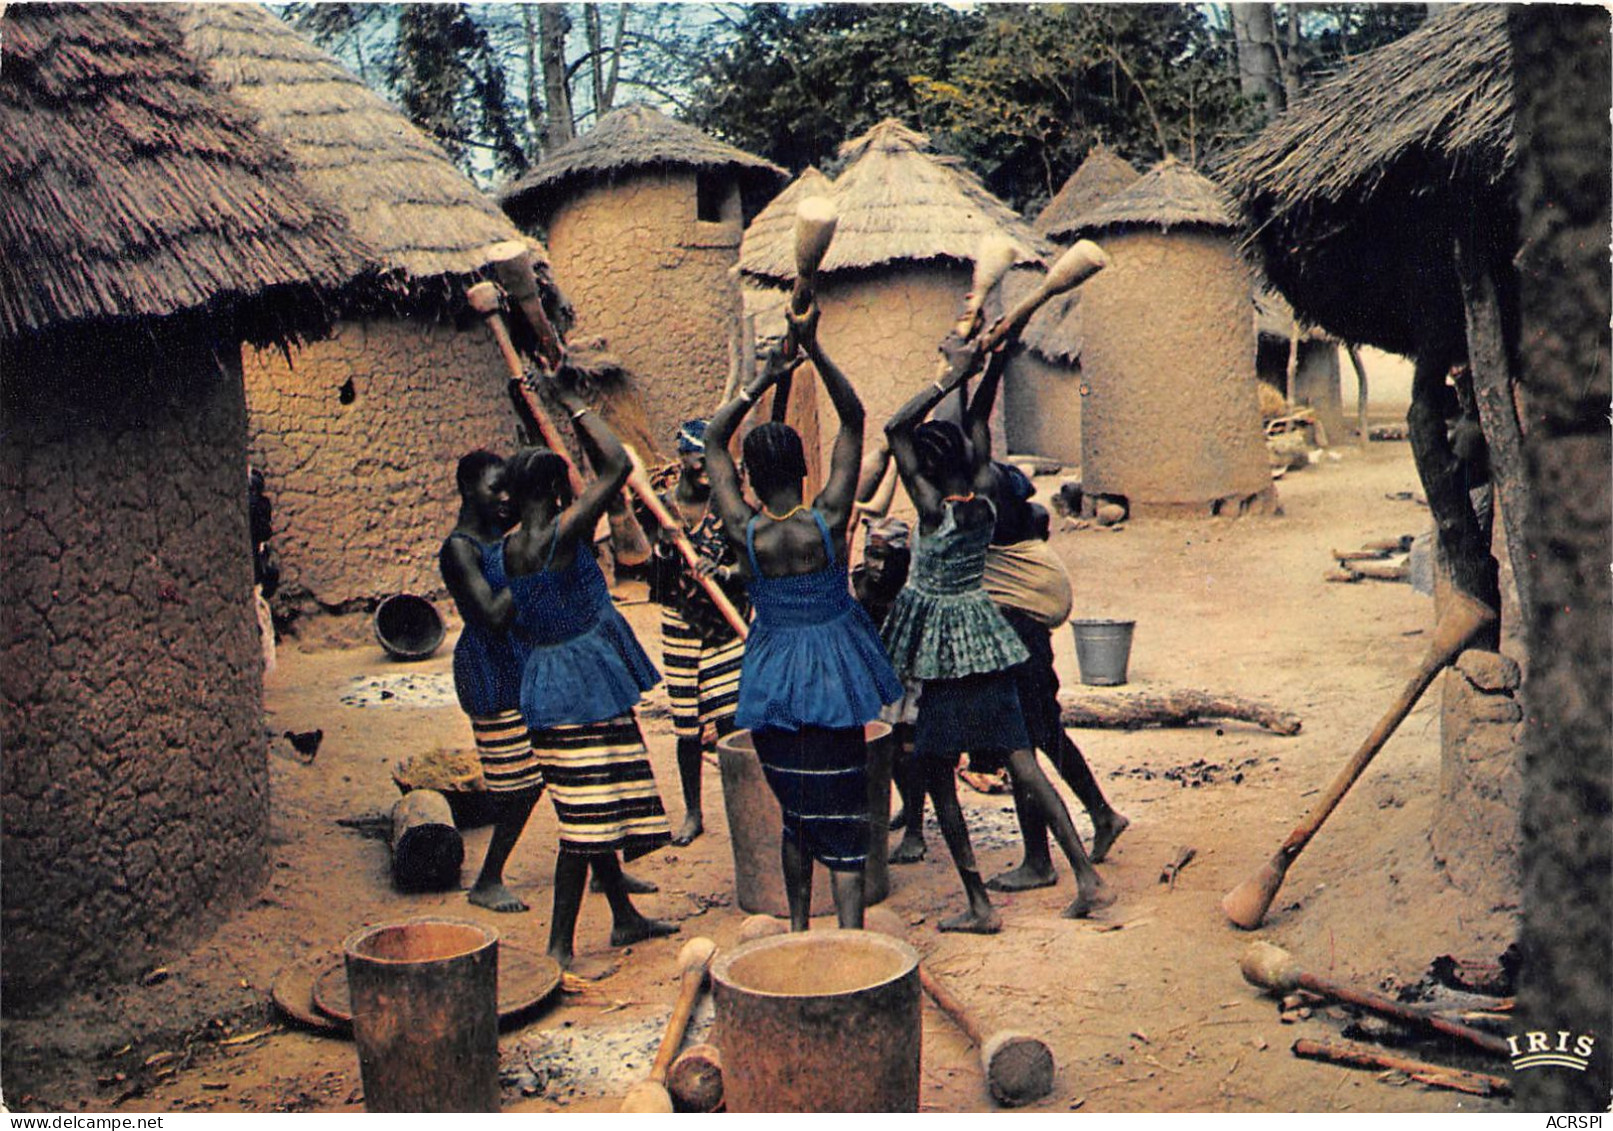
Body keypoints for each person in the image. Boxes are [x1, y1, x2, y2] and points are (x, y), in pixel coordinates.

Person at [882, 335, 1112, 932]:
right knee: (1024, 762)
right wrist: (983, 369)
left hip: (945, 652)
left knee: (937, 776)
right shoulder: (985, 492)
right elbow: (979, 423)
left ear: (925, 473)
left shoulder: (932, 511)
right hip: (987, 639)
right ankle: (1086, 875)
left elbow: (893, 430)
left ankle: (979, 905)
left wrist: (947, 379)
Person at [704, 304, 903, 932]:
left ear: (751, 478)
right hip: (836, 677)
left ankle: (797, 930)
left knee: (797, 813)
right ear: (803, 469)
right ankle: (849, 942)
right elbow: (854, 417)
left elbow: (711, 440)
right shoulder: (829, 517)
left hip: (775, 682)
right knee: (844, 811)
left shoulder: (746, 530)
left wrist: (762, 380)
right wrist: (815, 348)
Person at [502, 377, 678, 971]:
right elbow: (614, 464)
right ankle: (558, 945)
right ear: (555, 491)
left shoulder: (511, 545)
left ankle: (625, 918)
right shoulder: (559, 535)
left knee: (590, 801)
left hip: (558, 684)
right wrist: (574, 402)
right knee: (581, 824)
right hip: (576, 686)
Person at [979, 462, 1129, 893]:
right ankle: (1102, 814)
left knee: (1021, 748)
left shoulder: (994, 517)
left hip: (1017, 639)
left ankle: (1038, 860)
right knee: (1046, 734)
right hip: (1032, 639)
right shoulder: (1020, 516)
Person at [440, 450, 549, 913]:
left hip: (523, 661)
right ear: (467, 489)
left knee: (560, 765)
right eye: (494, 489)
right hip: (489, 668)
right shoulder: (460, 549)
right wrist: (533, 568)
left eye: (511, 489)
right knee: (521, 785)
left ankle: (603, 867)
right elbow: (490, 615)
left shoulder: (502, 538)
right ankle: (487, 880)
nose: (506, 498)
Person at [639, 419, 748, 846]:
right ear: (681, 458)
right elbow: (656, 585)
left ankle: (740, 805)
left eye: (710, 460)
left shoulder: (730, 503)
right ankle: (693, 812)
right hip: (681, 625)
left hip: (725, 626)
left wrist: (722, 572)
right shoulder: (662, 507)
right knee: (686, 724)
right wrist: (667, 548)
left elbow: (749, 563)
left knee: (731, 723)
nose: (704, 467)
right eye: (696, 459)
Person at [849, 512, 927, 865]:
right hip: (877, 677)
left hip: (910, 678)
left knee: (911, 752)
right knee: (888, 749)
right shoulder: (860, 582)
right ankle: (909, 809)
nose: (875, 565)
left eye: (884, 557)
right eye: (871, 554)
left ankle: (915, 830)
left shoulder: (912, 589)